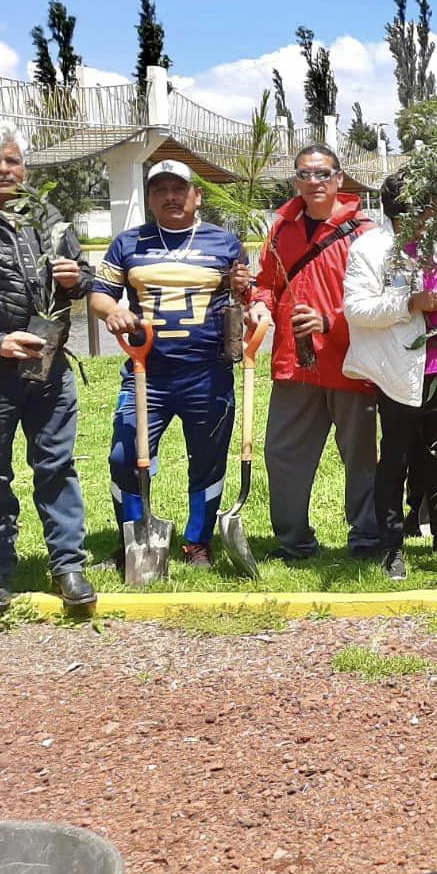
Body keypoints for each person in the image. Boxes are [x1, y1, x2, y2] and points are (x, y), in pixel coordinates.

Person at [0, 121, 95, 611]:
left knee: (56, 465)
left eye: (12, 160)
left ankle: (68, 565)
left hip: (49, 368)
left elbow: (83, 278)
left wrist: (76, 279)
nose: (5, 169)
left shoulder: (46, 214)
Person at [89, 160, 251, 568]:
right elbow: (99, 294)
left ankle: (198, 542)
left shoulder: (226, 245)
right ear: (149, 199)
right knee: (125, 456)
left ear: (196, 196)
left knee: (208, 460)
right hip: (147, 375)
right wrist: (112, 311)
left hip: (208, 375)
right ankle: (134, 538)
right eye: (159, 190)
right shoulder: (128, 244)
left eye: (178, 188)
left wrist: (250, 300)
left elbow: (249, 299)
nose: (170, 196)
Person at [248, 144, 379, 561]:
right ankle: (294, 541)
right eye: (305, 174)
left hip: (349, 362)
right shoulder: (282, 228)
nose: (314, 182)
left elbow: (380, 301)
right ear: (296, 181)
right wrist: (258, 303)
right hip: (294, 365)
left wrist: (329, 320)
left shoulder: (365, 233)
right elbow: (266, 281)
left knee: (361, 458)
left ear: (340, 179)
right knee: (282, 454)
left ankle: (367, 538)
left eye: (323, 174)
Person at [342, 174, 437, 579]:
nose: (434, 213)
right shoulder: (371, 249)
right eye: (426, 206)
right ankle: (391, 543)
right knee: (395, 459)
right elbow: (357, 309)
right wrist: (410, 302)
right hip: (399, 372)